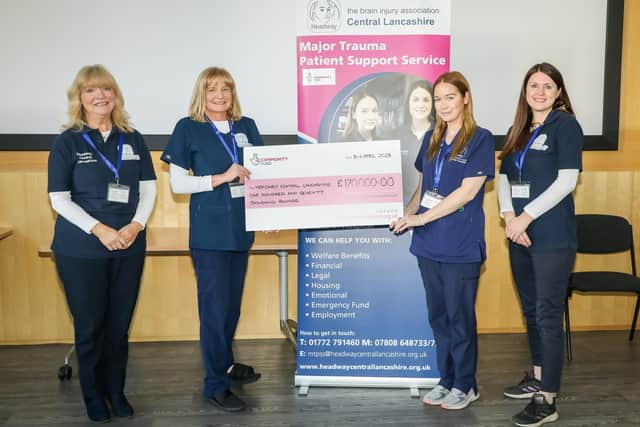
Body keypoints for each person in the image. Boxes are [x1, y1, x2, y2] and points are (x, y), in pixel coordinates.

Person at [47, 64, 157, 422]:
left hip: (129, 245)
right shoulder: (68, 142)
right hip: (82, 250)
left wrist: (136, 225)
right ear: (79, 98)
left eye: (106, 90)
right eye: (91, 91)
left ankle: (116, 392)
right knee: (91, 326)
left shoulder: (133, 137)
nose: (100, 96)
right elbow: (59, 199)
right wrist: (101, 230)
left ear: (115, 96)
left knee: (118, 327)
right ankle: (94, 397)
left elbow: (149, 189)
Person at [391, 71, 495, 410]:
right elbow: (423, 188)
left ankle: (466, 385)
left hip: (460, 245)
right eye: (438, 99)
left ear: (465, 98)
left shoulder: (480, 138)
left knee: (459, 317)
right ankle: (447, 379)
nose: (443, 104)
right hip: (428, 243)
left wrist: (420, 217)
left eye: (450, 97)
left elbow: (466, 193)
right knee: (438, 317)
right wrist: (407, 214)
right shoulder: (432, 139)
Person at [161, 67, 263, 412]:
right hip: (210, 234)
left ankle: (227, 364)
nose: (220, 96)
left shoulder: (246, 126)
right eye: (212, 90)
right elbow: (178, 184)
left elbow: (263, 172)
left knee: (231, 306)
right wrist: (221, 177)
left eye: (226, 89)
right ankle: (214, 384)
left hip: (241, 230)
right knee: (214, 311)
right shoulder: (187, 128)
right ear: (201, 94)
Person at [498, 62, 583, 427]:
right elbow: (504, 176)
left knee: (548, 314)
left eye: (548, 86)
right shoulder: (518, 128)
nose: (540, 91)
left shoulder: (566, 126)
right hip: (518, 234)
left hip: (550, 236)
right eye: (534, 85)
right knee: (531, 309)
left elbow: (566, 182)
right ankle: (537, 376)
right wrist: (507, 216)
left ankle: (547, 399)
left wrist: (525, 217)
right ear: (525, 91)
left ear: (559, 92)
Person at [398, 79, 435, 205]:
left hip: (433, 207)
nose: (420, 104)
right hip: (401, 205)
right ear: (408, 103)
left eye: (426, 100)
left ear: (433, 104)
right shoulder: (397, 136)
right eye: (415, 99)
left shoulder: (442, 134)